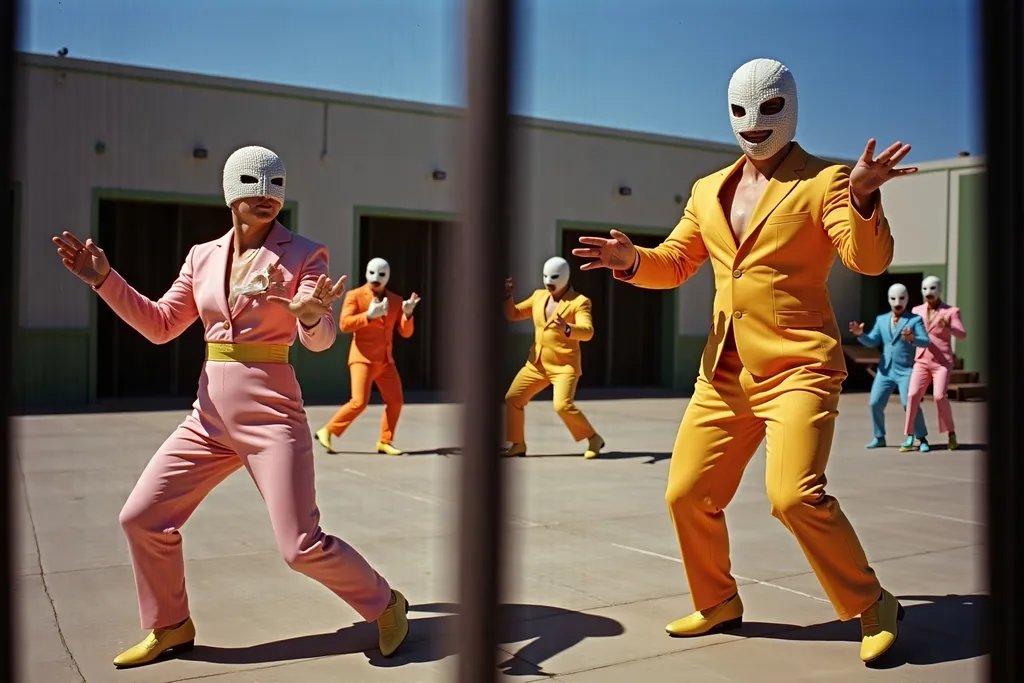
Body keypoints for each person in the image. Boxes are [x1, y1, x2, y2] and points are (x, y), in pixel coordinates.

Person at [572, 58, 915, 664]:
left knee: (792, 496)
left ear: (793, 107)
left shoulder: (827, 181)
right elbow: (675, 262)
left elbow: (869, 262)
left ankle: (871, 603)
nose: (753, 123)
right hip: (724, 370)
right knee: (687, 494)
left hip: (798, 369)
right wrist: (630, 260)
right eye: (739, 110)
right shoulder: (708, 190)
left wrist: (862, 196)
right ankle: (718, 600)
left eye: (769, 108)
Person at [51, 145, 409, 668]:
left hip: (272, 417)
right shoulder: (201, 256)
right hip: (208, 419)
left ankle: (386, 603)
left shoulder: (306, 253)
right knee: (142, 518)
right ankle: (169, 624)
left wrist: (311, 316)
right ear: (230, 191)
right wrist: (105, 280)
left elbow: (320, 338)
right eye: (252, 183)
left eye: (275, 184)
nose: (265, 194)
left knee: (299, 546)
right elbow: (160, 325)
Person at [503, 256, 604, 459]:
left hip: (564, 366)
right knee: (513, 398)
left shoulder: (579, 302)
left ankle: (593, 438)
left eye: (555, 277)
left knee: (562, 405)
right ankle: (518, 444)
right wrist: (507, 296)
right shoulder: (538, 297)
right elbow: (513, 314)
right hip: (537, 363)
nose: (549, 281)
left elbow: (588, 331)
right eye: (545, 276)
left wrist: (567, 328)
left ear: (565, 277)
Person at [316, 257, 420, 455]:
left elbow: (405, 333)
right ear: (366, 273)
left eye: (381, 274)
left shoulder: (396, 300)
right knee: (359, 401)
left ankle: (385, 441)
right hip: (362, 358)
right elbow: (344, 324)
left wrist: (407, 314)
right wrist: (368, 316)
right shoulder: (355, 296)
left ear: (388, 277)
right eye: (372, 273)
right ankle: (327, 430)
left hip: (385, 361)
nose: (376, 278)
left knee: (396, 400)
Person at [849, 283, 930, 450]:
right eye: (893, 298)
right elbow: (872, 341)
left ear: (907, 299)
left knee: (909, 403)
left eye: (901, 298)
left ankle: (921, 438)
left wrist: (913, 338)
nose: (897, 302)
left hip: (906, 370)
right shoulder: (882, 319)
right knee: (875, 403)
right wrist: (860, 335)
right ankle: (879, 437)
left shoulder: (914, 320)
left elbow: (926, 341)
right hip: (885, 370)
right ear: (888, 299)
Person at [903, 275, 967, 451]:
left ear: (939, 289)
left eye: (932, 288)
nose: (928, 293)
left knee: (939, 396)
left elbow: (962, 334)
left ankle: (951, 433)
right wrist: (910, 337)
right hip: (922, 359)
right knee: (912, 395)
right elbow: (913, 333)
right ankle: (909, 435)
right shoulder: (916, 310)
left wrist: (949, 327)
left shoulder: (951, 311)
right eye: (925, 289)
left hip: (942, 362)